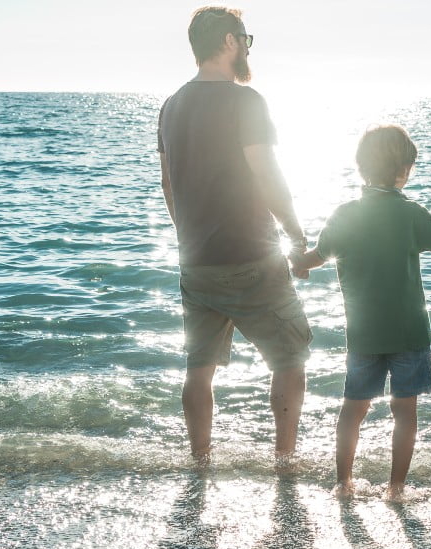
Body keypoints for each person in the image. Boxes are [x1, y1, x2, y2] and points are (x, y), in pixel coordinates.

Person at [291, 125, 431, 501]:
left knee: (354, 408)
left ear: (362, 167)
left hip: (364, 334)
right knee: (404, 411)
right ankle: (396, 488)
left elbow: (315, 258)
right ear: (402, 171)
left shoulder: (344, 214)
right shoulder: (411, 213)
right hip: (410, 332)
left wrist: (295, 264)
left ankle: (343, 483)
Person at [157, 6, 312, 466]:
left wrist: (187, 235)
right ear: (228, 41)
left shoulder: (171, 105)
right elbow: (267, 174)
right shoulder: (247, 101)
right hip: (249, 257)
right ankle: (284, 460)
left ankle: (200, 460)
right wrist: (297, 237)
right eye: (245, 37)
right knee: (289, 357)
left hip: (195, 259)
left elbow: (168, 183)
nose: (246, 46)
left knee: (198, 368)